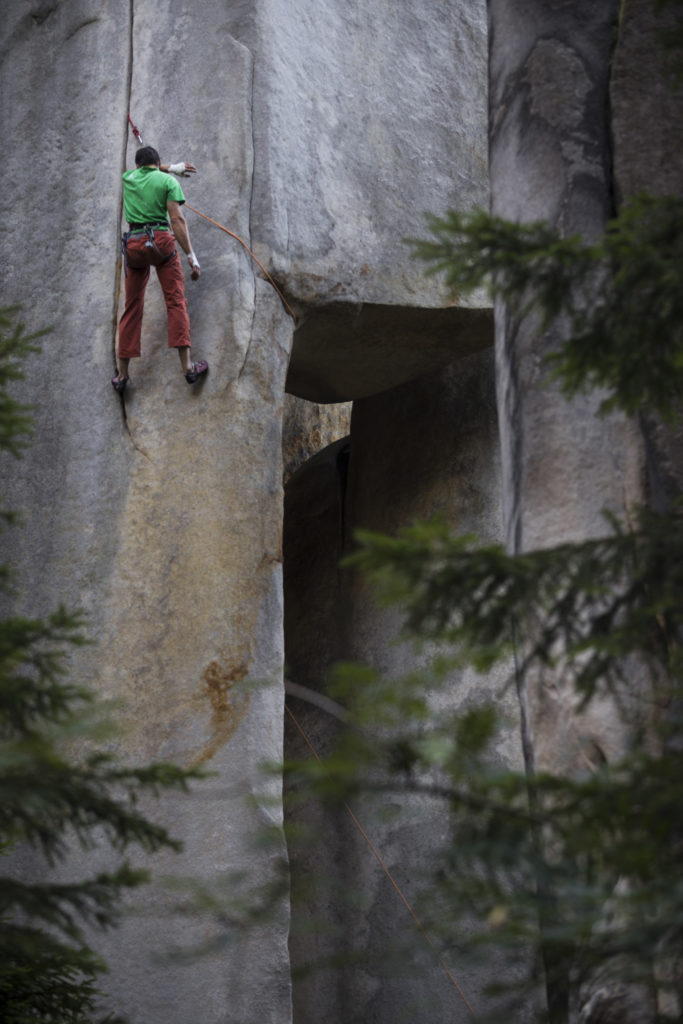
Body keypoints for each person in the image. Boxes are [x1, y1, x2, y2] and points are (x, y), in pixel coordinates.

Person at [112, 146, 208, 393]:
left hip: (134, 244)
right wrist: (191, 256)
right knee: (175, 301)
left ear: (137, 166)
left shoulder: (127, 178)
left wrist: (166, 167)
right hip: (162, 242)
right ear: (159, 162)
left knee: (132, 307)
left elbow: (144, 170)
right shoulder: (168, 181)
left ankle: (122, 376)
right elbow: (177, 220)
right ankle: (188, 368)